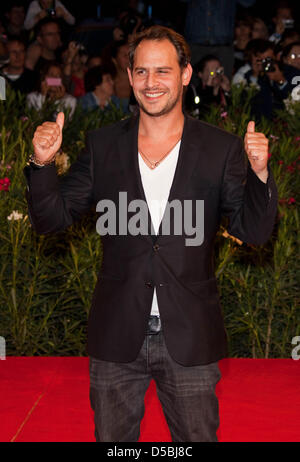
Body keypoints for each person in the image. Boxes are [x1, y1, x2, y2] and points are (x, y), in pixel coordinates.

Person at [24, 25, 277, 442]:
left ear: (185, 74)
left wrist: (260, 173)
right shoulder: (103, 146)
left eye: (162, 71)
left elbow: (252, 231)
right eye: (141, 72)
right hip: (116, 333)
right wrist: (41, 165)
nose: (151, 83)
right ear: (129, 76)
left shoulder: (220, 149)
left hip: (190, 335)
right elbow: (53, 220)